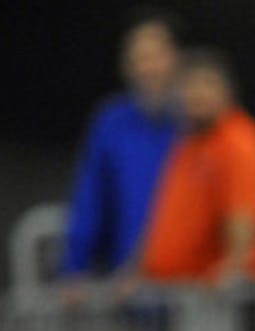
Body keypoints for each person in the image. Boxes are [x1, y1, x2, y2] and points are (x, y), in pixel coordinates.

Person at [139, 48, 255, 284]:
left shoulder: (238, 140)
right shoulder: (188, 144)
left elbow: (245, 218)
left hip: (219, 301)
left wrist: (231, 271)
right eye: (190, 86)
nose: (197, 94)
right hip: (177, 293)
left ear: (227, 92)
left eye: (207, 84)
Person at [61, 10, 182, 278]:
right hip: (127, 289)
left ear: (176, 57)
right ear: (126, 66)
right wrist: (73, 268)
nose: (149, 68)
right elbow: (90, 199)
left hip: (198, 292)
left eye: (156, 56)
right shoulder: (111, 123)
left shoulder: (198, 119)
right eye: (139, 59)